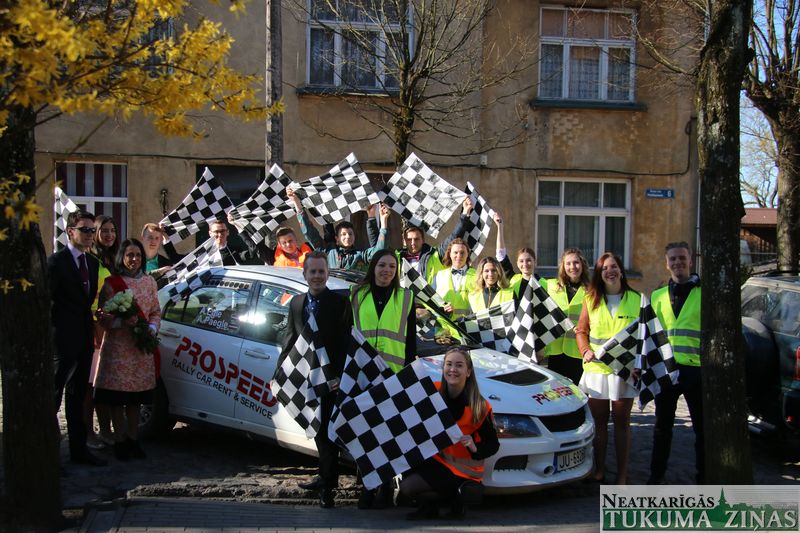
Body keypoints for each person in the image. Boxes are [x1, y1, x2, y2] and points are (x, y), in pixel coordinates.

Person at [279, 252, 352, 507]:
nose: (317, 276)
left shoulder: (341, 303)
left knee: (329, 432)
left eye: (322, 272)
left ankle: (328, 487)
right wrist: (279, 373)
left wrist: (341, 376)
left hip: (332, 380)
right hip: (305, 379)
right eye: (313, 272)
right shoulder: (296, 303)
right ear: (305, 274)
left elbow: (346, 342)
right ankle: (324, 476)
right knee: (317, 431)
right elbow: (289, 338)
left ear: (328, 274)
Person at [399, 346, 499, 520]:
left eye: (459, 365)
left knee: (408, 488)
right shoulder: (432, 391)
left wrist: (475, 447)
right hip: (435, 461)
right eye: (449, 364)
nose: (453, 369)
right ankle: (429, 507)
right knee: (405, 487)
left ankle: (458, 497)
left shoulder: (479, 406)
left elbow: (493, 445)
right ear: (443, 367)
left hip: (461, 470)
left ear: (468, 372)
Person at [350, 249, 416, 508]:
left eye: (391, 266)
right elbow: (348, 333)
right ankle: (368, 486)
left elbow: (411, 341)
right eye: (382, 265)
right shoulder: (357, 294)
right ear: (373, 267)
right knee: (365, 434)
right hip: (363, 374)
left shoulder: (406, 297)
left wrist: (409, 375)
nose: (387, 270)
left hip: (392, 375)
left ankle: (386, 487)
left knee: (388, 435)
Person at [575, 252, 641, 484]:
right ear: (599, 274)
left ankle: (622, 475)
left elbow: (646, 336)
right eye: (604, 268)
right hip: (597, 371)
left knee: (622, 424)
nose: (609, 271)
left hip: (625, 371)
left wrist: (640, 364)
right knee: (600, 424)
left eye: (613, 267)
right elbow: (581, 331)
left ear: (621, 270)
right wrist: (585, 350)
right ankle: (600, 469)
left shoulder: (637, 299)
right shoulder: (591, 298)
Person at [48, 210, 107, 466]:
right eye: (85, 230)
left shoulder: (92, 264)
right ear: (70, 231)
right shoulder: (56, 262)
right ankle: (49, 455)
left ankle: (78, 450)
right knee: (54, 395)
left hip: (84, 338)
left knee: (78, 395)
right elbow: (48, 302)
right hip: (61, 340)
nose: (90, 235)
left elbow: (87, 302)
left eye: (92, 230)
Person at [94, 239, 161, 461]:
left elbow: (155, 311)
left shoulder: (149, 282)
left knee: (135, 400)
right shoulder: (111, 284)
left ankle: (133, 439)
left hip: (139, 350)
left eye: (138, 255)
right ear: (122, 257)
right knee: (117, 399)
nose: (134, 259)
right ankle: (120, 440)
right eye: (130, 255)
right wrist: (120, 322)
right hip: (118, 349)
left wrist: (151, 328)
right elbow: (102, 315)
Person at [649, 242, 704, 485]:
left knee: (702, 430)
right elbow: (650, 336)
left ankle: (704, 477)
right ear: (666, 263)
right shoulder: (657, 296)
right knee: (662, 428)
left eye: (682, 258)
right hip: (667, 370)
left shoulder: (704, 293)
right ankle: (656, 476)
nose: (677, 262)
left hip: (696, 369)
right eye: (673, 259)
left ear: (690, 261)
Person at [290, 186, 391, 272]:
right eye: (343, 234)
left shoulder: (360, 255)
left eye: (350, 234)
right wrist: (297, 205)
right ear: (337, 239)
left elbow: (379, 252)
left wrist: (383, 221)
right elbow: (310, 233)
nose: (348, 237)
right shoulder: (327, 252)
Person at [86, 215, 118, 448]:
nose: (109, 235)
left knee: (105, 385)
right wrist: (96, 328)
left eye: (112, 230)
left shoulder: (113, 259)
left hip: (111, 329)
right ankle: (88, 432)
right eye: (104, 230)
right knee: (90, 386)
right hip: (94, 329)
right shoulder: (91, 260)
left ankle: (106, 430)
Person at [397, 196, 473, 283]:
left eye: (416, 239)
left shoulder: (435, 256)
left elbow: (453, 237)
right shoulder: (396, 257)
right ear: (404, 241)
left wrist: (465, 213)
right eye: (409, 239)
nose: (413, 243)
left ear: (423, 240)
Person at [544, 248, 591, 384]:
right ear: (563, 267)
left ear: (582, 264)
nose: (572, 267)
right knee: (555, 391)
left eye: (576, 263)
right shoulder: (551, 286)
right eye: (568, 263)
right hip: (555, 351)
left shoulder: (591, 290)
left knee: (576, 391)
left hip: (579, 351)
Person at [494, 212, 544, 297]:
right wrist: (500, 227)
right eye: (521, 261)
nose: (525, 264)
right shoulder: (513, 279)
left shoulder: (545, 284)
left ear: (535, 262)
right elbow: (500, 255)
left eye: (528, 260)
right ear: (517, 264)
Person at [433, 238, 476, 320]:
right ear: (450, 254)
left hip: (468, 325)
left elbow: (480, 307)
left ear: (468, 254)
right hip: (442, 325)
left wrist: (456, 311)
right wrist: (442, 309)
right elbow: (432, 302)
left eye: (462, 253)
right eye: (455, 252)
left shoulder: (478, 276)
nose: (459, 256)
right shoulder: (439, 275)